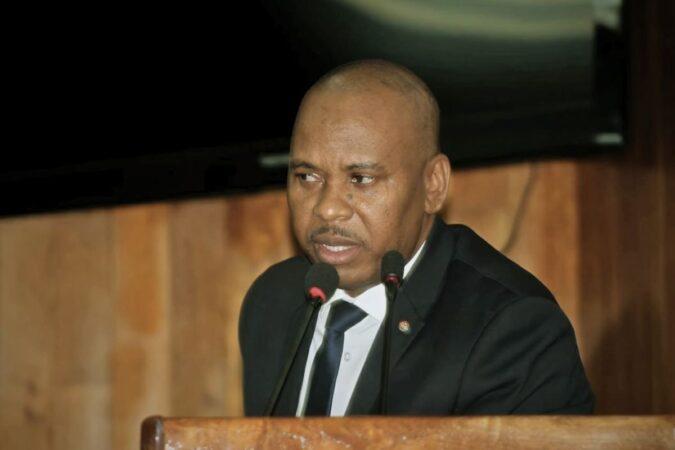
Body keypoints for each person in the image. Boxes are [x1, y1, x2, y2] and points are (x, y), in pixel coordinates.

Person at [239, 60, 594, 416]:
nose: (327, 208)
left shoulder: (512, 329)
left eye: (361, 179)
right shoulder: (273, 301)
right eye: (306, 176)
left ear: (433, 185)